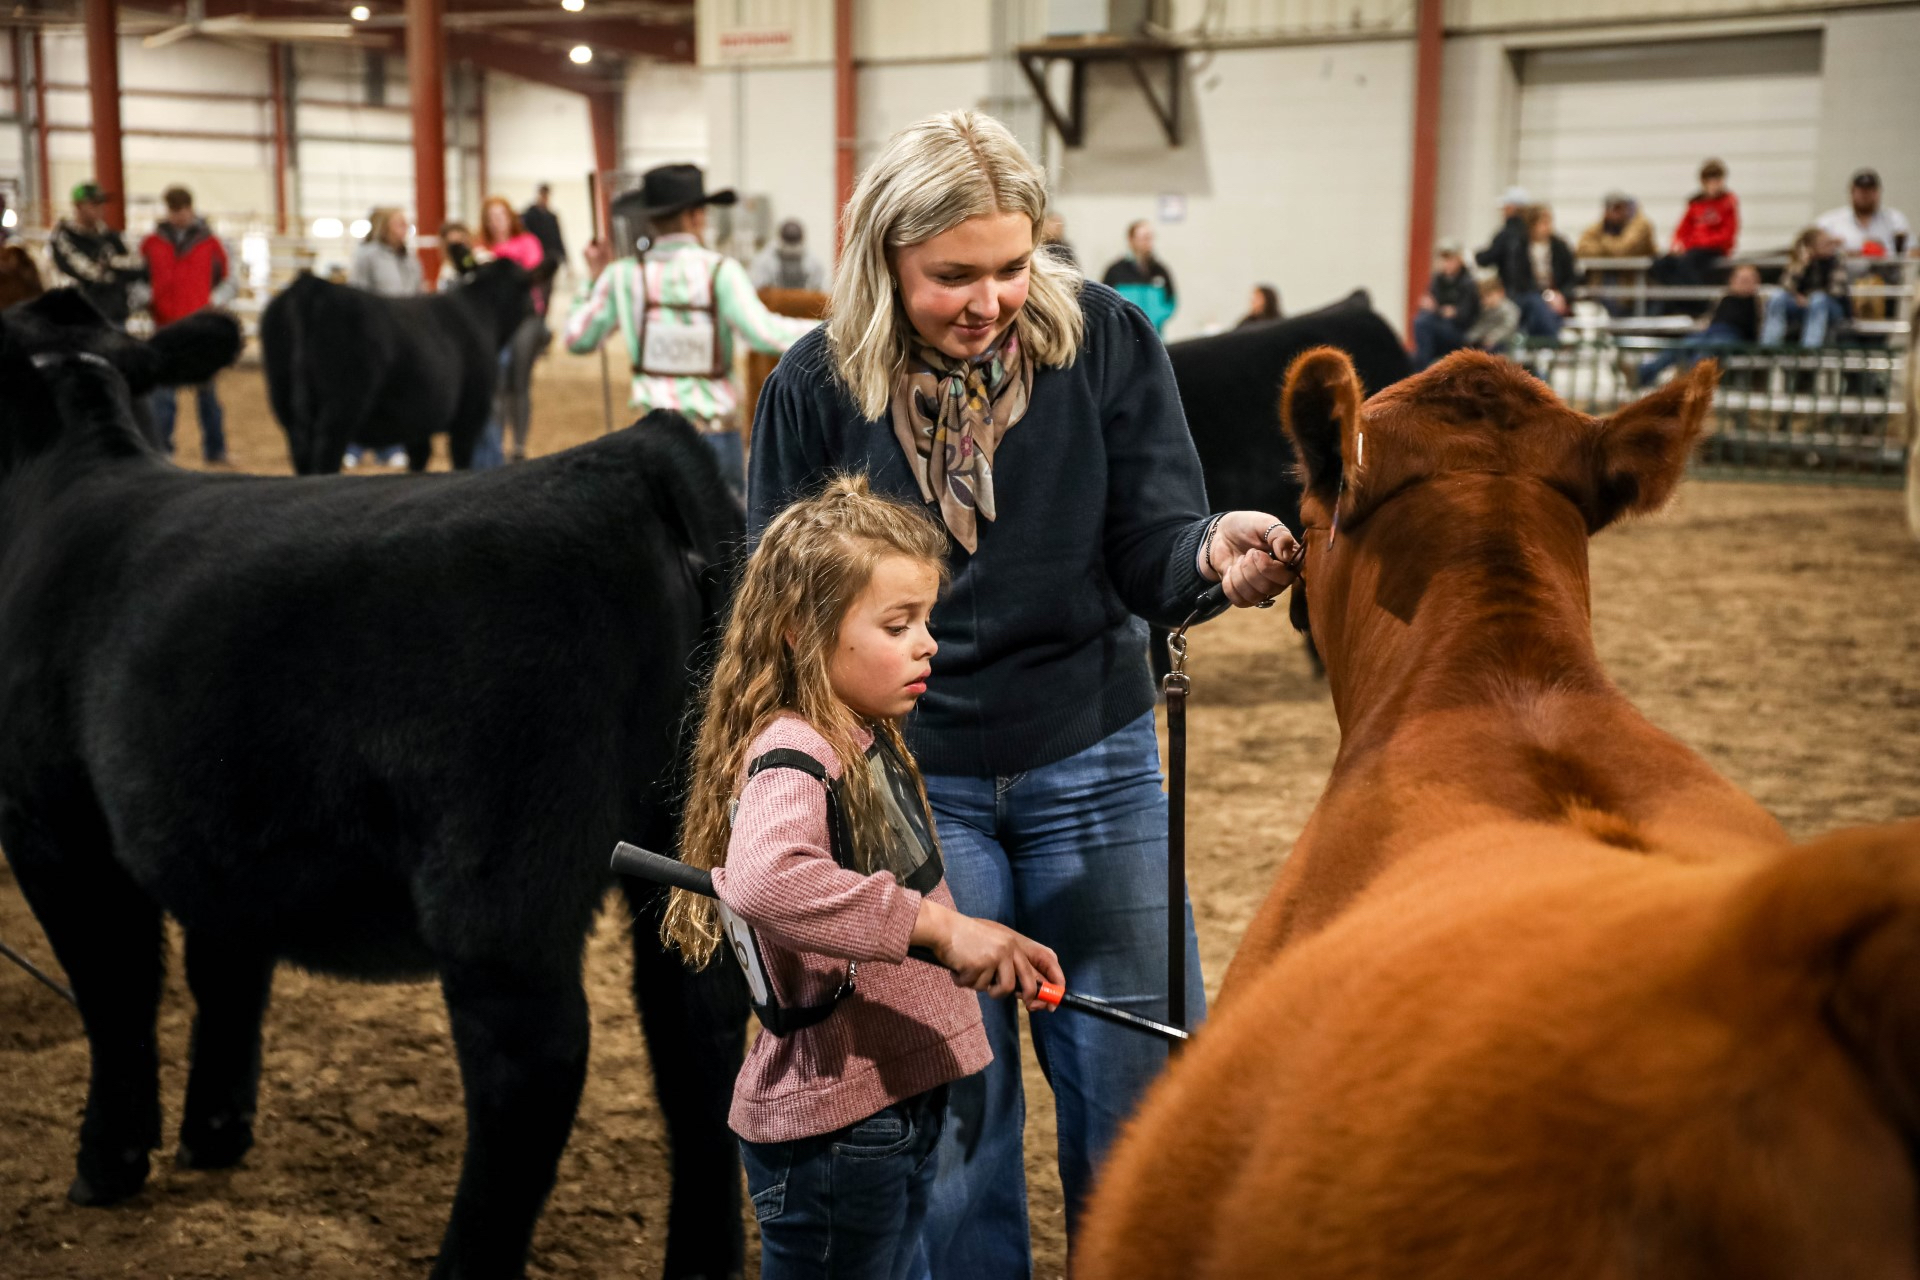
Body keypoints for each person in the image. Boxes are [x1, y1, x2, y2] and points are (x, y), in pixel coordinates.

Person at [748, 110, 1303, 1277]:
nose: (989, 299)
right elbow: (780, 614)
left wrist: (1211, 553)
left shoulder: (1105, 340)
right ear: (883, 258)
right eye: (953, 274)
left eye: (1013, 264)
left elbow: (1154, 533)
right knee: (955, 1129)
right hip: (909, 792)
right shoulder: (811, 384)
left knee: (1144, 1093)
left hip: (1096, 764)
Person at [664, 476, 1063, 1280]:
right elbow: (767, 878)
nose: (928, 644)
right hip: (840, 1134)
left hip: (883, 1110)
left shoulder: (857, 731)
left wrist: (983, 942)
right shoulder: (796, 751)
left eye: (926, 620)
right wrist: (944, 929)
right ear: (800, 633)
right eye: (897, 624)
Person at [565, 163, 814, 500]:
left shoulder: (623, 276)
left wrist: (593, 279)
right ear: (696, 216)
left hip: (651, 438)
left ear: (653, 219)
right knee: (724, 545)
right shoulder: (721, 272)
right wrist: (830, 331)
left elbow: (578, 339)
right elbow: (764, 333)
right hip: (712, 435)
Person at [141, 185, 234, 464]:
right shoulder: (150, 244)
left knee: (208, 395)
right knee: (163, 396)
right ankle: (162, 451)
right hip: (165, 327)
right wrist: (147, 298)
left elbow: (229, 279)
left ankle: (216, 450)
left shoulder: (211, 243)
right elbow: (139, 277)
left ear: (191, 209)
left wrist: (213, 299)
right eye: (173, 210)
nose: (178, 216)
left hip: (200, 328)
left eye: (182, 210)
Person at [342, 207, 422, 469]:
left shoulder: (411, 261)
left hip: (404, 335)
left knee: (396, 393)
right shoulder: (367, 256)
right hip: (374, 333)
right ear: (386, 227)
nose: (403, 230)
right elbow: (357, 293)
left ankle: (390, 447)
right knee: (366, 391)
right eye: (399, 224)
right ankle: (354, 445)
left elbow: (417, 294)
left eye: (405, 225)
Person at [478, 195, 552, 464]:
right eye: (491, 217)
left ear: (510, 217)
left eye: (501, 215)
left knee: (519, 382)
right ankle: (495, 445)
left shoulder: (528, 243)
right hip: (493, 322)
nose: (496, 221)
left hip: (524, 318)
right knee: (496, 384)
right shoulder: (482, 247)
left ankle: (518, 446)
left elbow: (533, 274)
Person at [1634, 262, 1760, 386]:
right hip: (1711, 332)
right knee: (1682, 346)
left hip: (1733, 337)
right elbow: (1710, 320)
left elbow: (1754, 331)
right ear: (1732, 280)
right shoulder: (1725, 299)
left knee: (1706, 352)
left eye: (1748, 280)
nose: (1743, 283)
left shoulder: (1756, 303)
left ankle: (1690, 386)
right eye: (1740, 279)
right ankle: (1642, 373)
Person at [49, 180, 147, 325]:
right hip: (82, 317)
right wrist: (114, 265)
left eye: (101, 203)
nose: (100, 208)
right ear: (78, 206)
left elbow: (138, 266)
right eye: (94, 204)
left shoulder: (110, 237)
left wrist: (109, 265)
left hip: (116, 314)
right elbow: (88, 272)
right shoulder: (64, 238)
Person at [1651, 159, 1738, 313]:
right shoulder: (1696, 204)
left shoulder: (1727, 203)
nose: (1713, 184)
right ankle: (1686, 301)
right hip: (1693, 249)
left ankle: (1701, 304)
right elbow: (1682, 230)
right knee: (1660, 264)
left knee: (1686, 263)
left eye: (1716, 180)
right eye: (1709, 180)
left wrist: (1694, 243)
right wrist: (1677, 245)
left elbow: (1727, 235)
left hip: (1712, 249)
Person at [1761, 227, 1849, 348]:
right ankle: (1769, 347)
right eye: (1825, 243)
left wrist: (1809, 298)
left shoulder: (1837, 260)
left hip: (1831, 306)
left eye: (1830, 242)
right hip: (1803, 304)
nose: (1830, 246)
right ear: (1812, 247)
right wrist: (1801, 265)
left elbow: (1836, 292)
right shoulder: (1801, 261)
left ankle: (1809, 350)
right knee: (1777, 296)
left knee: (1818, 299)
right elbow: (1785, 286)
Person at [1576, 191, 1657, 315]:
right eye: (1613, 208)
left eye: (1620, 208)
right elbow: (1582, 249)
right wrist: (1610, 250)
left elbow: (1622, 250)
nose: (1616, 213)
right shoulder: (1597, 227)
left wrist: (1604, 241)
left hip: (1632, 288)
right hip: (1601, 284)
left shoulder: (1640, 226)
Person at [1504, 205, 1576, 338]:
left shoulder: (1560, 246)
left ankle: (1539, 344)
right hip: (1526, 296)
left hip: (1557, 296)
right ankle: (1553, 340)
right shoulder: (1519, 246)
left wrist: (1561, 295)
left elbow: (1571, 277)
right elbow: (1518, 281)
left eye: (1549, 222)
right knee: (1536, 304)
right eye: (1543, 223)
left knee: (1538, 315)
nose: (1547, 227)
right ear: (1532, 225)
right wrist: (1547, 296)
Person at [1412, 240, 1481, 368]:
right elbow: (1430, 305)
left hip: (1460, 331)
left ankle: (1422, 367)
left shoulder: (1468, 283)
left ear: (1459, 259)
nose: (1446, 264)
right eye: (1444, 259)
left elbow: (1464, 316)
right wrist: (1442, 310)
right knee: (1421, 321)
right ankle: (1422, 364)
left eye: (1450, 259)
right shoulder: (1438, 280)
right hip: (1439, 325)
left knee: (1423, 323)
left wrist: (1438, 309)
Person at [1815, 168, 1912, 259]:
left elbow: (1914, 251)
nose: (1865, 195)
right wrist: (1832, 248)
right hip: (1844, 276)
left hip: (1888, 276)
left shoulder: (1895, 219)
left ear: (1878, 192)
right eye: (1861, 191)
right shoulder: (1830, 221)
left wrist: (1882, 253)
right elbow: (1809, 247)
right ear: (1852, 192)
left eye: (1870, 191)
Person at [1101, 219, 1176, 334]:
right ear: (1131, 240)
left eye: (1149, 238)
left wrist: (1157, 319)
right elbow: (1104, 302)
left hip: (1155, 333)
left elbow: (1171, 300)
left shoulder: (1160, 270)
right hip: (1125, 334)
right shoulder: (1115, 271)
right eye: (1143, 238)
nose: (1147, 242)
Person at [1474, 185, 1530, 289]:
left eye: (1505, 207)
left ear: (1512, 208)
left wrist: (1477, 256)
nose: (1503, 211)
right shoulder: (1531, 231)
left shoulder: (1506, 234)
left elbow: (1489, 257)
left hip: (1510, 289)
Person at [750, 218, 828, 292]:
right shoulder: (765, 261)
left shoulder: (814, 262)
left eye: (794, 244)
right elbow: (757, 289)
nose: (791, 249)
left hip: (804, 304)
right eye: (788, 244)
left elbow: (821, 291)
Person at [1464, 273, 1520, 353]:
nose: (1486, 300)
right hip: (1485, 342)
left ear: (1501, 292)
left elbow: (1508, 327)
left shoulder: (1509, 309)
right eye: (1483, 297)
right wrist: (1472, 336)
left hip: (1505, 343)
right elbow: (1482, 325)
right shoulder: (1486, 310)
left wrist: (1493, 337)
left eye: (1489, 296)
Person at [520, 182, 567, 277]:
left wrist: (565, 259)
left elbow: (558, 238)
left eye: (546, 195)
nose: (544, 198)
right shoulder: (528, 215)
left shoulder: (552, 217)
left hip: (549, 258)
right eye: (542, 194)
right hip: (533, 257)